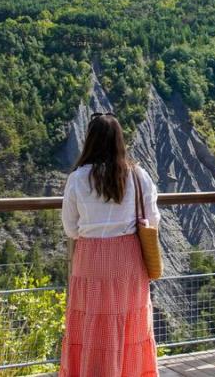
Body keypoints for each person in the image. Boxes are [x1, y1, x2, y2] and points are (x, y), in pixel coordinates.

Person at [59, 112, 161, 377]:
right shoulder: (138, 176)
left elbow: (70, 228)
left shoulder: (78, 178)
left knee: (92, 322)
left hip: (90, 259)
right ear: (119, 141)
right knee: (130, 322)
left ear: (90, 141)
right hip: (128, 259)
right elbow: (152, 219)